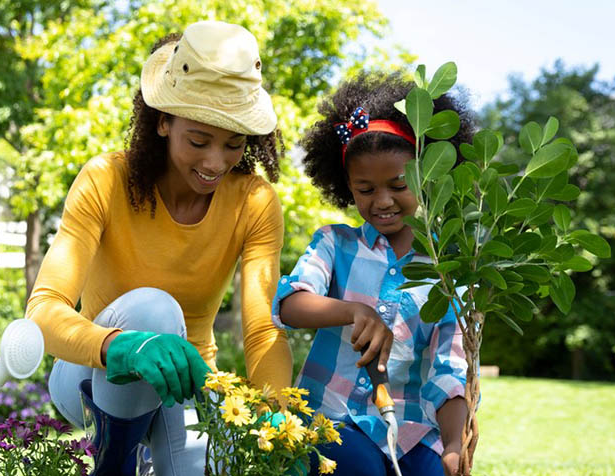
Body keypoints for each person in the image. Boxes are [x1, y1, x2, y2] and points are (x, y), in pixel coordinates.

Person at [25, 20, 293, 476]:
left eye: (233, 145)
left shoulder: (255, 202)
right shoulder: (105, 181)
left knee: (196, 470)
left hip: (189, 385)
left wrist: (279, 417)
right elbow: (43, 311)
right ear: (163, 121)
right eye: (198, 140)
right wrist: (123, 348)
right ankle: (115, 463)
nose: (215, 163)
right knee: (154, 310)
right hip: (93, 372)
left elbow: (262, 331)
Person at [271, 71, 473, 476]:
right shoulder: (334, 243)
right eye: (365, 190)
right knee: (359, 469)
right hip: (334, 418)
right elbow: (289, 302)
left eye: (398, 186)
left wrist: (454, 442)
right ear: (346, 186)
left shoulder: (449, 269)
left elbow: (448, 370)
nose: (382, 201)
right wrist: (352, 312)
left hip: (416, 426)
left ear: (426, 178)